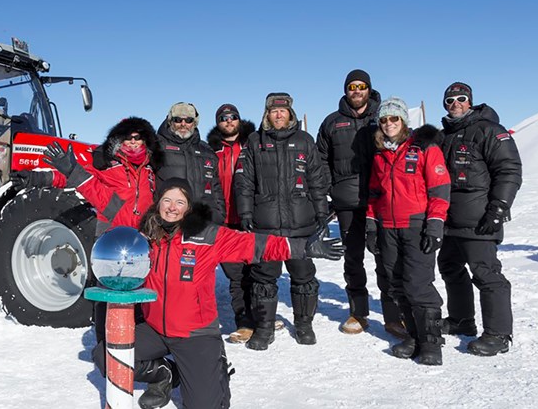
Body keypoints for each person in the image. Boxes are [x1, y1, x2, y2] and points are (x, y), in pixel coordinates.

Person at [80, 177, 343, 409]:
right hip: (155, 329)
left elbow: (257, 245)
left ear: (188, 208)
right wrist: (75, 175)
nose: (172, 207)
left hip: (196, 335)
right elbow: (110, 205)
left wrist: (302, 248)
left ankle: (215, 369)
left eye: (180, 202)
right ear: (158, 204)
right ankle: (165, 373)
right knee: (105, 356)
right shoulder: (147, 234)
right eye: (167, 200)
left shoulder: (207, 236)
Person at [15, 117, 162, 343]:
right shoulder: (106, 163)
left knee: (140, 294)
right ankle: (105, 344)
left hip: (140, 241)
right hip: (111, 238)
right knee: (107, 294)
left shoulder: (150, 169)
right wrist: (40, 177)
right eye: (127, 138)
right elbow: (71, 176)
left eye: (138, 138)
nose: (133, 142)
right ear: (118, 140)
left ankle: (138, 345)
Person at [235, 93, 330, 349]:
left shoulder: (305, 141)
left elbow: (317, 181)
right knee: (263, 279)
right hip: (266, 225)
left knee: (304, 277)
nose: (278, 115)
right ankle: (264, 329)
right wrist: (245, 213)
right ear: (267, 114)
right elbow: (244, 182)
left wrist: (322, 213)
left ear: (290, 114)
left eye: (283, 111)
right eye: (273, 111)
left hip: (301, 224)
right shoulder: (255, 142)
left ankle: (303, 325)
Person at [316, 69, 405, 337]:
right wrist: (331, 189)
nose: (356, 90)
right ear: (345, 90)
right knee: (353, 259)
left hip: (381, 201)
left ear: (369, 89)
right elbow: (321, 160)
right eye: (352, 86)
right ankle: (358, 312)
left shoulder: (384, 118)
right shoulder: (332, 122)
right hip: (348, 203)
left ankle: (392, 315)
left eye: (361, 86)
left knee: (386, 257)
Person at [437, 82, 522, 356]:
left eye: (461, 99)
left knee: (486, 274)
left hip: (479, 219)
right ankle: (462, 320)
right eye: (450, 100)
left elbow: (509, 170)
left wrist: (498, 208)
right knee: (449, 267)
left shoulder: (489, 130)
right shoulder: (443, 135)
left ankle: (498, 334)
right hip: (449, 220)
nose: (456, 104)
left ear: (470, 101)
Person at [366, 97, 451, 365]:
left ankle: (431, 343)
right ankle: (413, 336)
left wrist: (435, 223)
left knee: (418, 284)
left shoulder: (424, 147)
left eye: (394, 118)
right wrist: (371, 222)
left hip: (416, 226)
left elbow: (439, 189)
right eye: (384, 119)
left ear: (403, 120)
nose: (389, 124)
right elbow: (373, 193)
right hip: (388, 227)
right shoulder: (380, 153)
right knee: (395, 282)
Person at [205, 103, 260, 343]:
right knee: (235, 273)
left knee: (256, 271)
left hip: (251, 217)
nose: (229, 121)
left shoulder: (253, 144)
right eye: (223, 118)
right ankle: (244, 322)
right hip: (224, 220)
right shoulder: (210, 151)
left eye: (233, 117)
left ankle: (261, 317)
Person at [156, 102, 226, 223]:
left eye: (188, 120)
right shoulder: (157, 146)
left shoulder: (207, 150)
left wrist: (220, 215)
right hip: (171, 218)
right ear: (170, 121)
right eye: (178, 120)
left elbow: (215, 187)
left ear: (194, 123)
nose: (183, 124)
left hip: (204, 220)